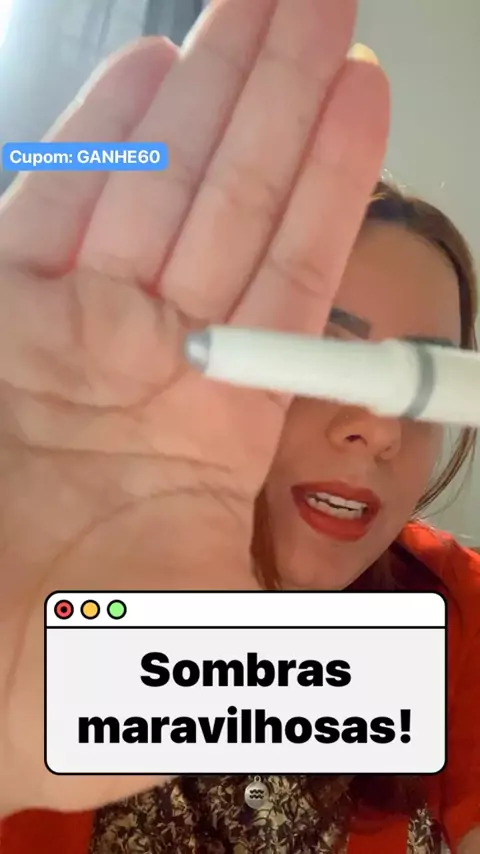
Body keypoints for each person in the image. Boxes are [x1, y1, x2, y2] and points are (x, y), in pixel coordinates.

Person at [0, 0, 478, 852]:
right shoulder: (48, 584)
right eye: (325, 358)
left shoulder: (455, 614)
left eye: (425, 385)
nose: (379, 430)